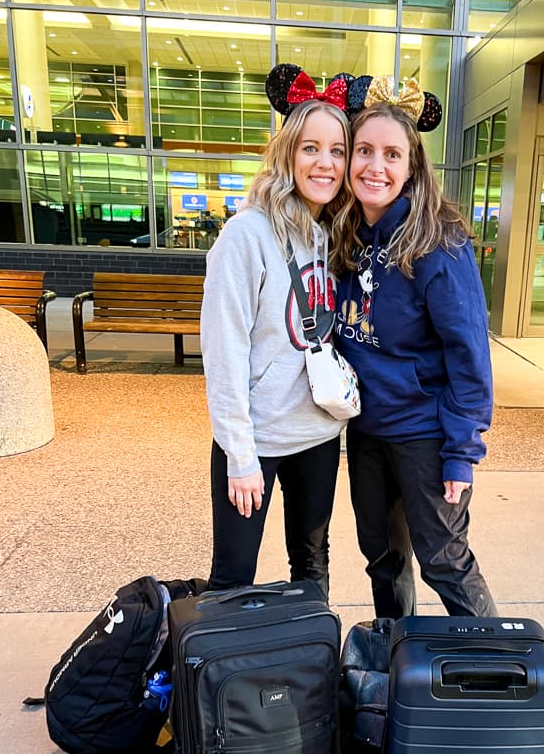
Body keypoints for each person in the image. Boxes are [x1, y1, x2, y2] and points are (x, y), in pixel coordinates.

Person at [333, 76, 498, 619]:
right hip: (367, 434)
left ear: (411, 167)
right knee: (383, 558)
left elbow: (470, 356)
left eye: (391, 154)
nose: (374, 166)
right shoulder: (347, 235)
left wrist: (461, 452)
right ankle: (395, 656)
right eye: (364, 151)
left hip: (425, 434)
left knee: (444, 560)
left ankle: (497, 674)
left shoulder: (439, 242)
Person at [200, 67, 353, 597]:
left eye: (337, 150)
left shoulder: (335, 234)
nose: (325, 163)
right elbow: (223, 352)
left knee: (312, 567)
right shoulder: (246, 234)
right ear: (288, 151)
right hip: (257, 438)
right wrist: (240, 455)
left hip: (318, 434)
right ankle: (219, 678)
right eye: (312, 147)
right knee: (232, 576)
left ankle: (306, 668)